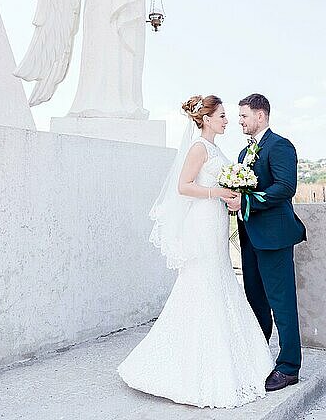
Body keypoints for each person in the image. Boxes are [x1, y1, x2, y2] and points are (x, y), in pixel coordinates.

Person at [117, 95, 273, 408]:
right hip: (202, 222)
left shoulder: (215, 149)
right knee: (204, 281)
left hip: (215, 220)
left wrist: (232, 193)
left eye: (228, 116)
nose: (227, 121)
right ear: (206, 119)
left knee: (219, 279)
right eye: (222, 116)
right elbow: (183, 186)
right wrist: (217, 191)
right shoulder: (199, 148)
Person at [225, 93, 306, 392]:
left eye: (244, 116)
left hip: (274, 237)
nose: (240, 122)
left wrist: (246, 201)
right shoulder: (241, 154)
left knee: (281, 303)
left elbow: (285, 188)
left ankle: (288, 367)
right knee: (255, 300)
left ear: (260, 115)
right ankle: (259, 358)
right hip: (249, 237)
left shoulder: (280, 145)